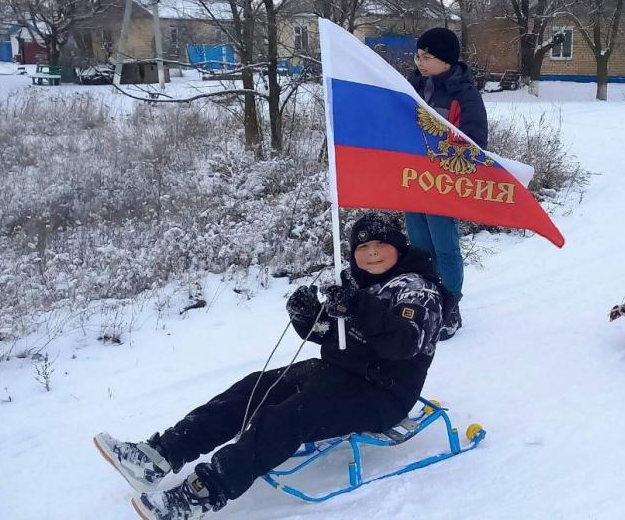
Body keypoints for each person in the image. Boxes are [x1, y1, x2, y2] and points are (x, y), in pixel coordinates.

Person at [94, 212, 452, 520]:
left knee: (290, 416)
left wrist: (358, 306)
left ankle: (204, 492)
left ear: (399, 247)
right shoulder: (353, 284)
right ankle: (161, 455)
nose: (371, 252)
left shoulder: (418, 289)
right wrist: (308, 316)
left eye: (380, 244)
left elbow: (405, 343)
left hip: (382, 393)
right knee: (254, 388)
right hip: (338, 374)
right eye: (362, 246)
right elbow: (332, 335)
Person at [406, 27, 488, 340]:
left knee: (445, 247)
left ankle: (450, 307)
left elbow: (476, 141)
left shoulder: (464, 94)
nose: (420, 61)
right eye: (418, 55)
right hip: (411, 180)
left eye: (427, 56)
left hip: (444, 183)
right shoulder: (411, 87)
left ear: (447, 60)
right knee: (419, 246)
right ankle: (427, 299)